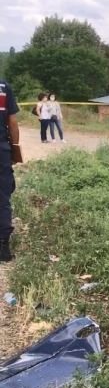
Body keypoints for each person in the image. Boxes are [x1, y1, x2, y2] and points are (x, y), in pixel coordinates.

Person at [0, 80, 21, 261]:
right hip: (1, 150)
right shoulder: (4, 87)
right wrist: (14, 149)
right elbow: (12, 122)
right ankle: (3, 247)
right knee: (2, 196)